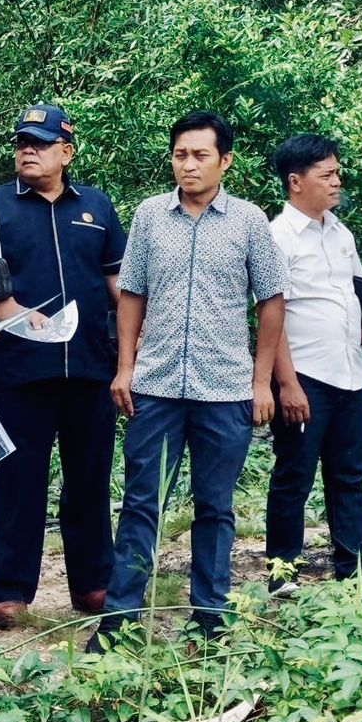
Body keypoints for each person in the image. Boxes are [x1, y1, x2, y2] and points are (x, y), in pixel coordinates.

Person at [93, 110, 288, 648]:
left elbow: (272, 302)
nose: (189, 164)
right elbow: (131, 293)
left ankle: (209, 618)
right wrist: (126, 366)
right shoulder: (150, 216)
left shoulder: (249, 221)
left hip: (223, 390)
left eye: (200, 155)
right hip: (155, 387)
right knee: (140, 503)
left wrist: (261, 381)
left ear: (224, 161)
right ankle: (120, 622)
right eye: (181, 154)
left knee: (215, 506)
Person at [0, 104, 127, 629]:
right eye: (22, 142)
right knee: (17, 481)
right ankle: (12, 590)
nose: (27, 150)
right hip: (19, 371)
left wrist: (133, 354)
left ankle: (92, 583)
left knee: (89, 480)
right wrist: (22, 320)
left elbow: (117, 288)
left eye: (40, 143)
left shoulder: (97, 207)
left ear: (66, 151)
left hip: (90, 368)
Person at [265, 135, 362, 591]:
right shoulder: (275, 238)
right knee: (293, 477)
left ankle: (354, 569)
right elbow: (271, 315)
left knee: (350, 476)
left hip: (350, 375)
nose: (337, 181)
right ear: (296, 182)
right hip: (305, 378)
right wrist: (287, 384)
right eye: (327, 175)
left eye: (337, 172)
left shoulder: (341, 234)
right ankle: (283, 574)